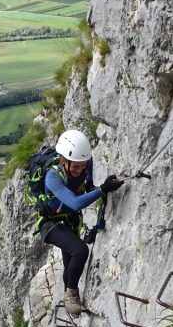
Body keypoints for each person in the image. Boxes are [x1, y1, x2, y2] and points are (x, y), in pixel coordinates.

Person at [37, 129, 124, 315]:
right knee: (79, 250)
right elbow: (76, 203)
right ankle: (71, 294)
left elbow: (88, 176)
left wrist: (93, 185)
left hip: (69, 220)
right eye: (75, 166)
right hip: (50, 223)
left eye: (82, 165)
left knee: (71, 264)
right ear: (63, 160)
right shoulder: (52, 177)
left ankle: (68, 290)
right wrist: (102, 189)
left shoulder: (85, 161)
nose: (80, 169)